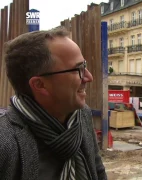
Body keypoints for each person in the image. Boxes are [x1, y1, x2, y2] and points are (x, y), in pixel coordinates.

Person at [0, 27, 107, 180]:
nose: (89, 77)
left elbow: (98, 172)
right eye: (78, 69)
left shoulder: (81, 116)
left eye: (85, 66)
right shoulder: (5, 139)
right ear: (40, 85)